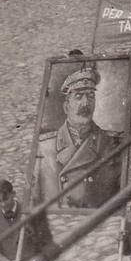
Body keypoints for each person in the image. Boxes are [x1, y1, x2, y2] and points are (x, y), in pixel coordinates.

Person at [36, 65, 123, 209]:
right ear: (66, 106)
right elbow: (34, 202)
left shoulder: (112, 144)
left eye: (90, 96)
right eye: (78, 96)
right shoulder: (45, 147)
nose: (86, 103)